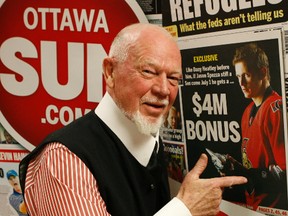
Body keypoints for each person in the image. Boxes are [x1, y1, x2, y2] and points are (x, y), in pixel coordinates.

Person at [19, 23, 247, 216]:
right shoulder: (62, 160)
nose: (163, 90)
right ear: (110, 72)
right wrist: (184, 209)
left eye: (174, 78)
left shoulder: (152, 140)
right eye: (148, 72)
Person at [232, 43, 287, 210]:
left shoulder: (275, 109)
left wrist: (252, 175)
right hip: (251, 206)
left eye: (246, 75)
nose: (241, 82)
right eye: (238, 76)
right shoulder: (247, 112)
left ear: (262, 72)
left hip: (272, 208)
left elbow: (283, 175)